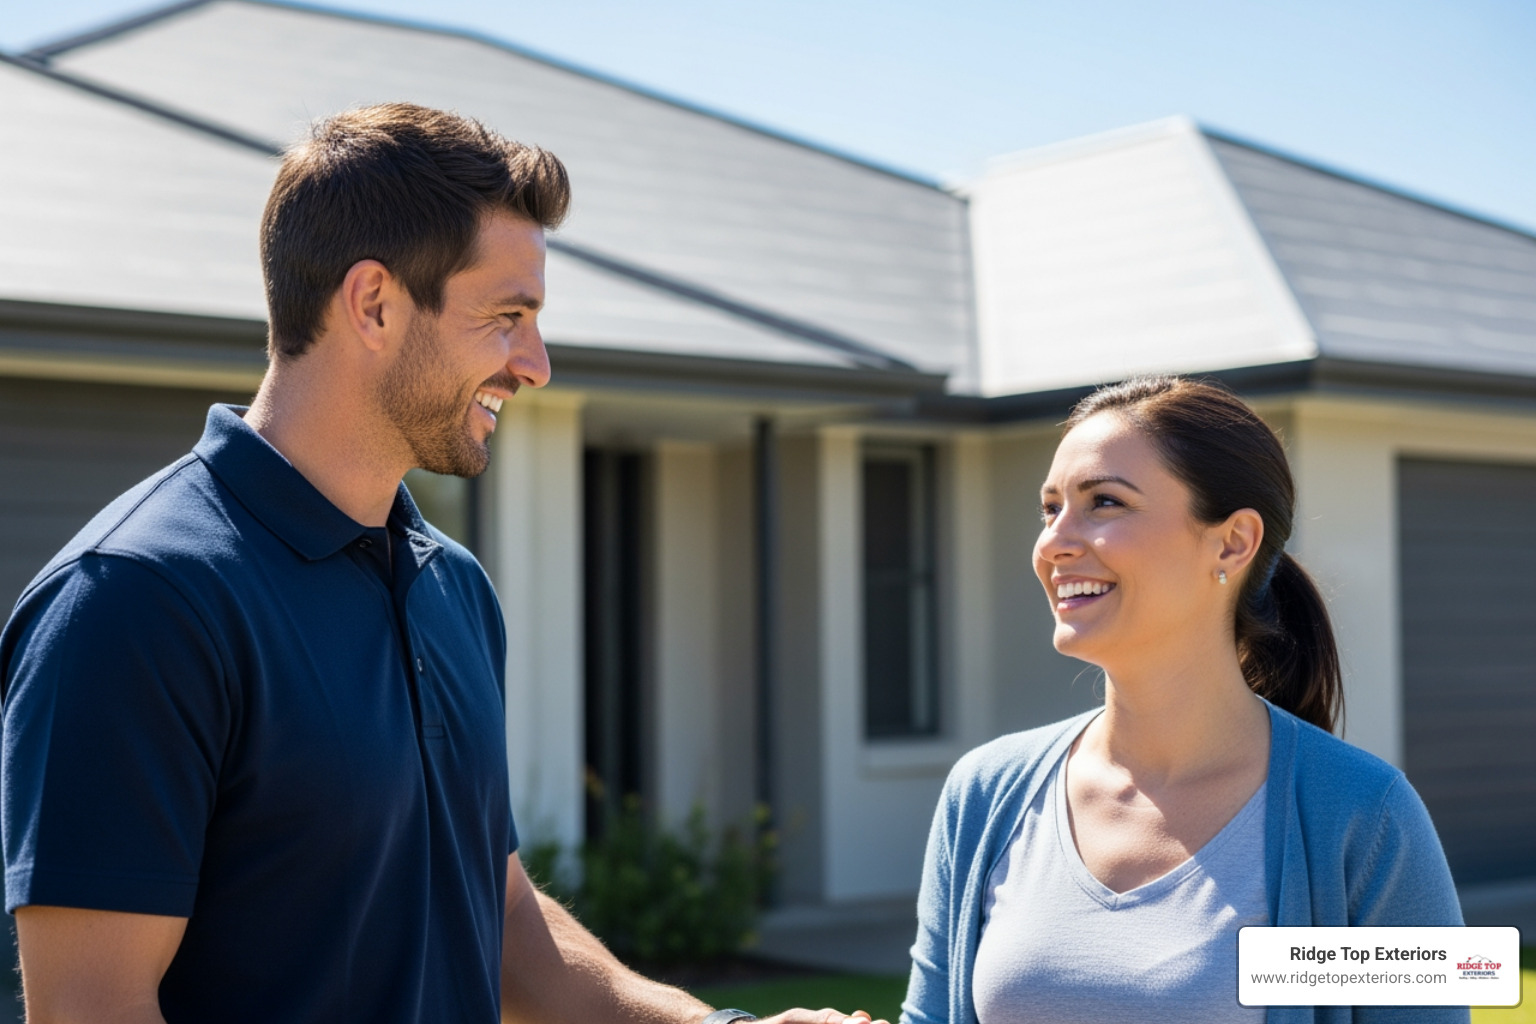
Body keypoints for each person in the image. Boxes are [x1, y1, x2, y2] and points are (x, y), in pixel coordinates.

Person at [0, 102, 876, 1024]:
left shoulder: (451, 587)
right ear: (373, 302)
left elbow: (498, 926)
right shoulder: (135, 601)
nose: (535, 364)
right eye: (507, 316)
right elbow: (92, 1007)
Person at [902, 377, 1465, 1024]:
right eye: (1050, 508)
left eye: (1104, 502)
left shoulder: (1362, 819)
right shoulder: (987, 794)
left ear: (1231, 543)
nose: (1054, 542)